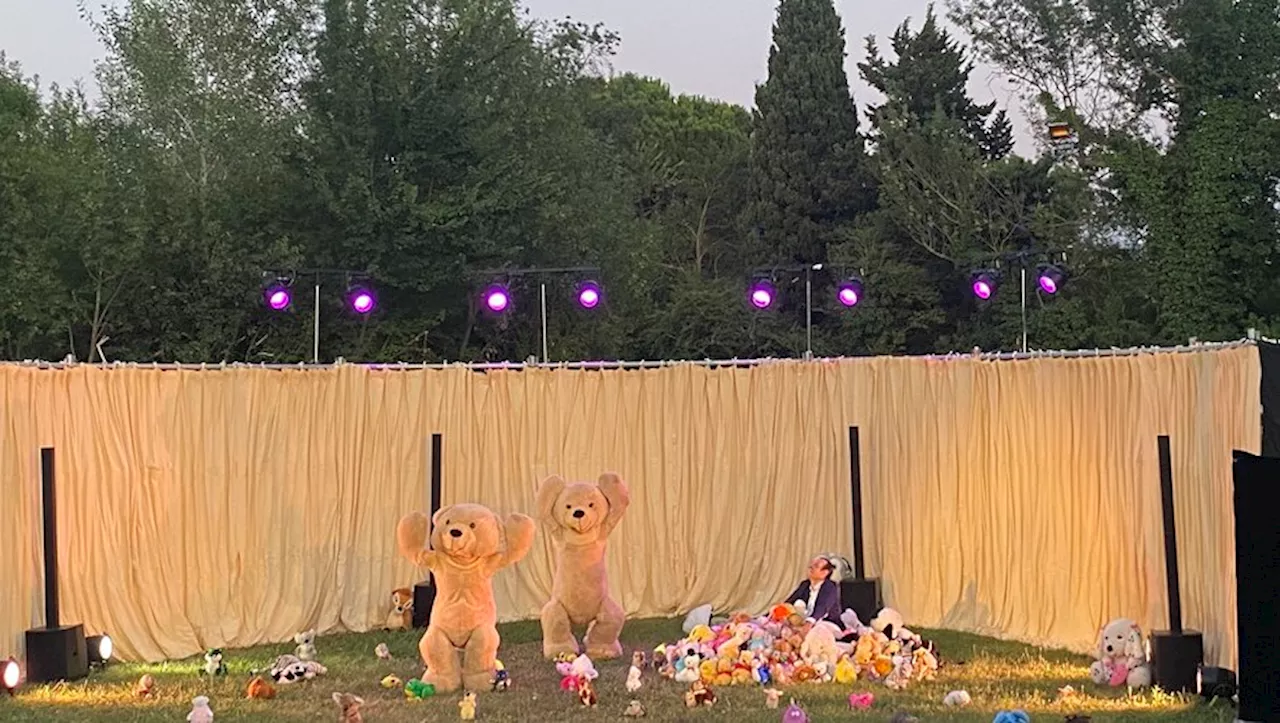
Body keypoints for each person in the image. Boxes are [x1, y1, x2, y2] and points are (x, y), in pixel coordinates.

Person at [784, 556, 842, 627]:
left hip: (826, 623)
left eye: (816, 566)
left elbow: (822, 607)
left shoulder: (830, 586)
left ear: (824, 573)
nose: (811, 568)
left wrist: (810, 621)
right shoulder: (805, 584)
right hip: (804, 621)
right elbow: (790, 601)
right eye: (811, 565)